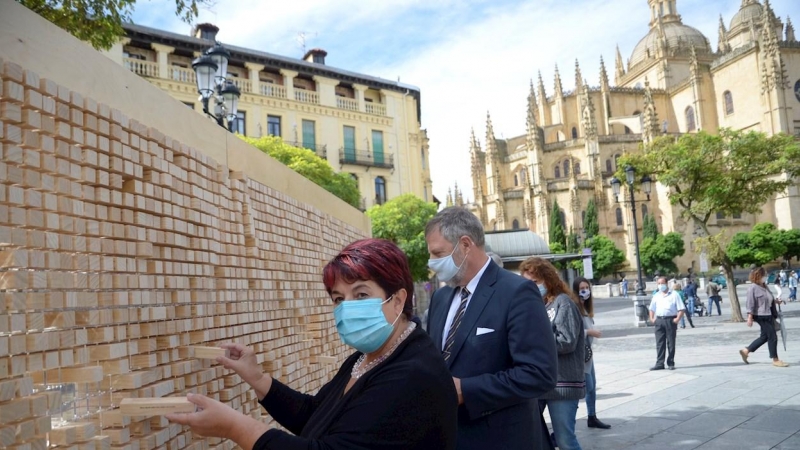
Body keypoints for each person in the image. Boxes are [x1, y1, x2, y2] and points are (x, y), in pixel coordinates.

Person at [166, 238, 459, 449]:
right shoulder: (367, 356)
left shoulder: (412, 373)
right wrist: (257, 378)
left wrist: (234, 427)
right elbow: (316, 414)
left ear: (397, 300)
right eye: (338, 299)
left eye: (360, 295)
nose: (347, 308)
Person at [425, 207, 558, 450]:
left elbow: (539, 374)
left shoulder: (516, 292)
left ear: (465, 245)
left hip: (501, 439)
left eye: (438, 253)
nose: (432, 263)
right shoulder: (441, 298)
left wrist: (466, 389)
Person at [520, 257, 585, 450]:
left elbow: (567, 341)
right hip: (540, 383)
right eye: (527, 283)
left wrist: (533, 345)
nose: (531, 287)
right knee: (533, 438)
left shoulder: (563, 303)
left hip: (563, 384)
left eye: (535, 282)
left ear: (548, 280)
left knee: (565, 440)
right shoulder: (537, 305)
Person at [572, 276, 611, 430]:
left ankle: (592, 416)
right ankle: (567, 423)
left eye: (586, 288)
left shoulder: (586, 308)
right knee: (585, 387)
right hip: (579, 356)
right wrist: (590, 332)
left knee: (593, 387)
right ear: (576, 290)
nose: (585, 291)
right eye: (582, 289)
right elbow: (572, 331)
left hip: (587, 355)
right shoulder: (574, 307)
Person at [739, 267, 789, 368]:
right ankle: (775, 359)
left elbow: (767, 299)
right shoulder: (752, 288)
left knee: (764, 337)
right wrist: (750, 317)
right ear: (758, 276)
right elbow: (750, 303)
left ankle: (746, 351)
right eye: (764, 275)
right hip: (760, 315)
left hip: (769, 314)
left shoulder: (764, 286)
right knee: (772, 336)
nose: (766, 277)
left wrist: (776, 301)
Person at [648, 277, 685, 370]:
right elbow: (652, 308)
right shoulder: (656, 295)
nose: (660, 285)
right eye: (659, 283)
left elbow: (681, 308)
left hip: (670, 320)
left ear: (666, 283)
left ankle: (671, 362)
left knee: (671, 342)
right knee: (660, 343)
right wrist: (652, 319)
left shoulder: (674, 294)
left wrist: (677, 319)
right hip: (659, 320)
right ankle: (660, 363)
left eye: (662, 283)